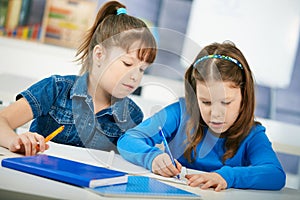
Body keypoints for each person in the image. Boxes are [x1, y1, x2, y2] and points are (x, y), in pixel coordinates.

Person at [117, 41, 286, 191]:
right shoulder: (181, 112)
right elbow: (128, 140)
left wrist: (226, 177)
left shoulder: (252, 134)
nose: (216, 114)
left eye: (226, 102)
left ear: (244, 97)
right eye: (206, 102)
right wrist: (152, 157)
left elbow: (275, 174)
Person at [0, 1, 157, 156]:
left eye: (142, 69)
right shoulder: (55, 89)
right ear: (99, 55)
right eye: (127, 64)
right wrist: (15, 141)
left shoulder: (133, 115)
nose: (135, 76)